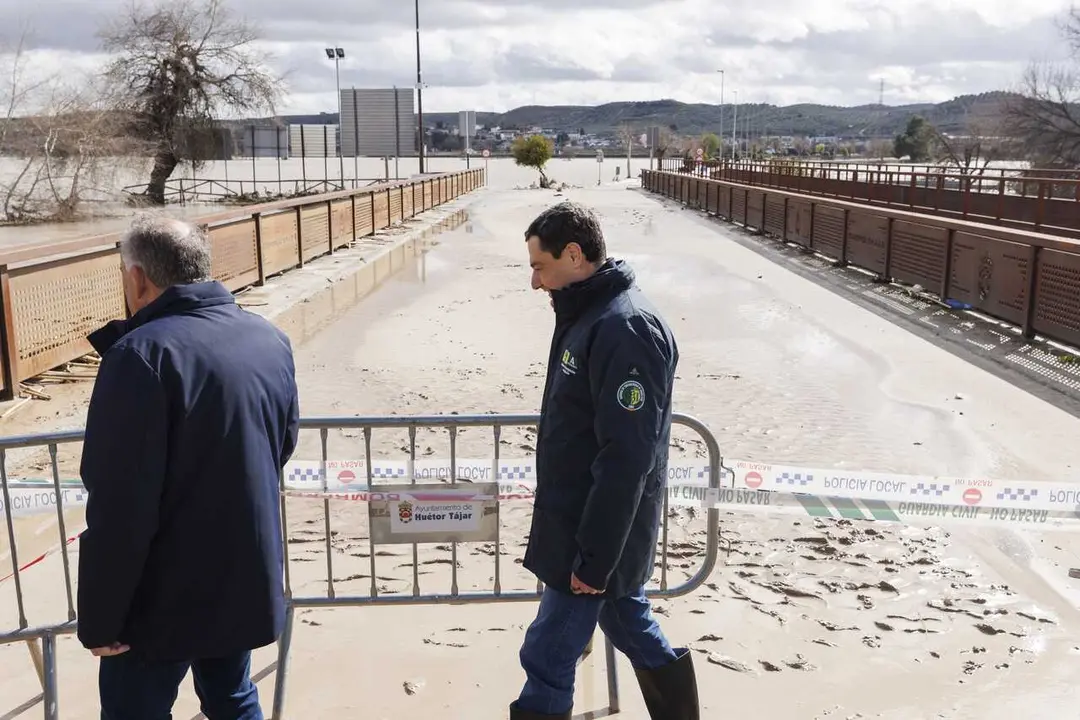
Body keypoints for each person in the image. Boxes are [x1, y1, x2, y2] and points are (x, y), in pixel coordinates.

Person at [76, 215, 300, 720]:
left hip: (158, 598)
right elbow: (279, 449)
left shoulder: (140, 355)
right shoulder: (267, 338)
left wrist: (101, 619)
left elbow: (118, 504)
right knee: (233, 698)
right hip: (240, 574)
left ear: (137, 278)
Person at [510, 201, 699, 720]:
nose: (534, 282)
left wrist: (594, 561)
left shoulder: (625, 328)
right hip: (581, 524)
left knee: (548, 653)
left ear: (574, 255)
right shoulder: (588, 315)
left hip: (592, 537)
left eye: (539, 266)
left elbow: (626, 458)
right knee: (627, 620)